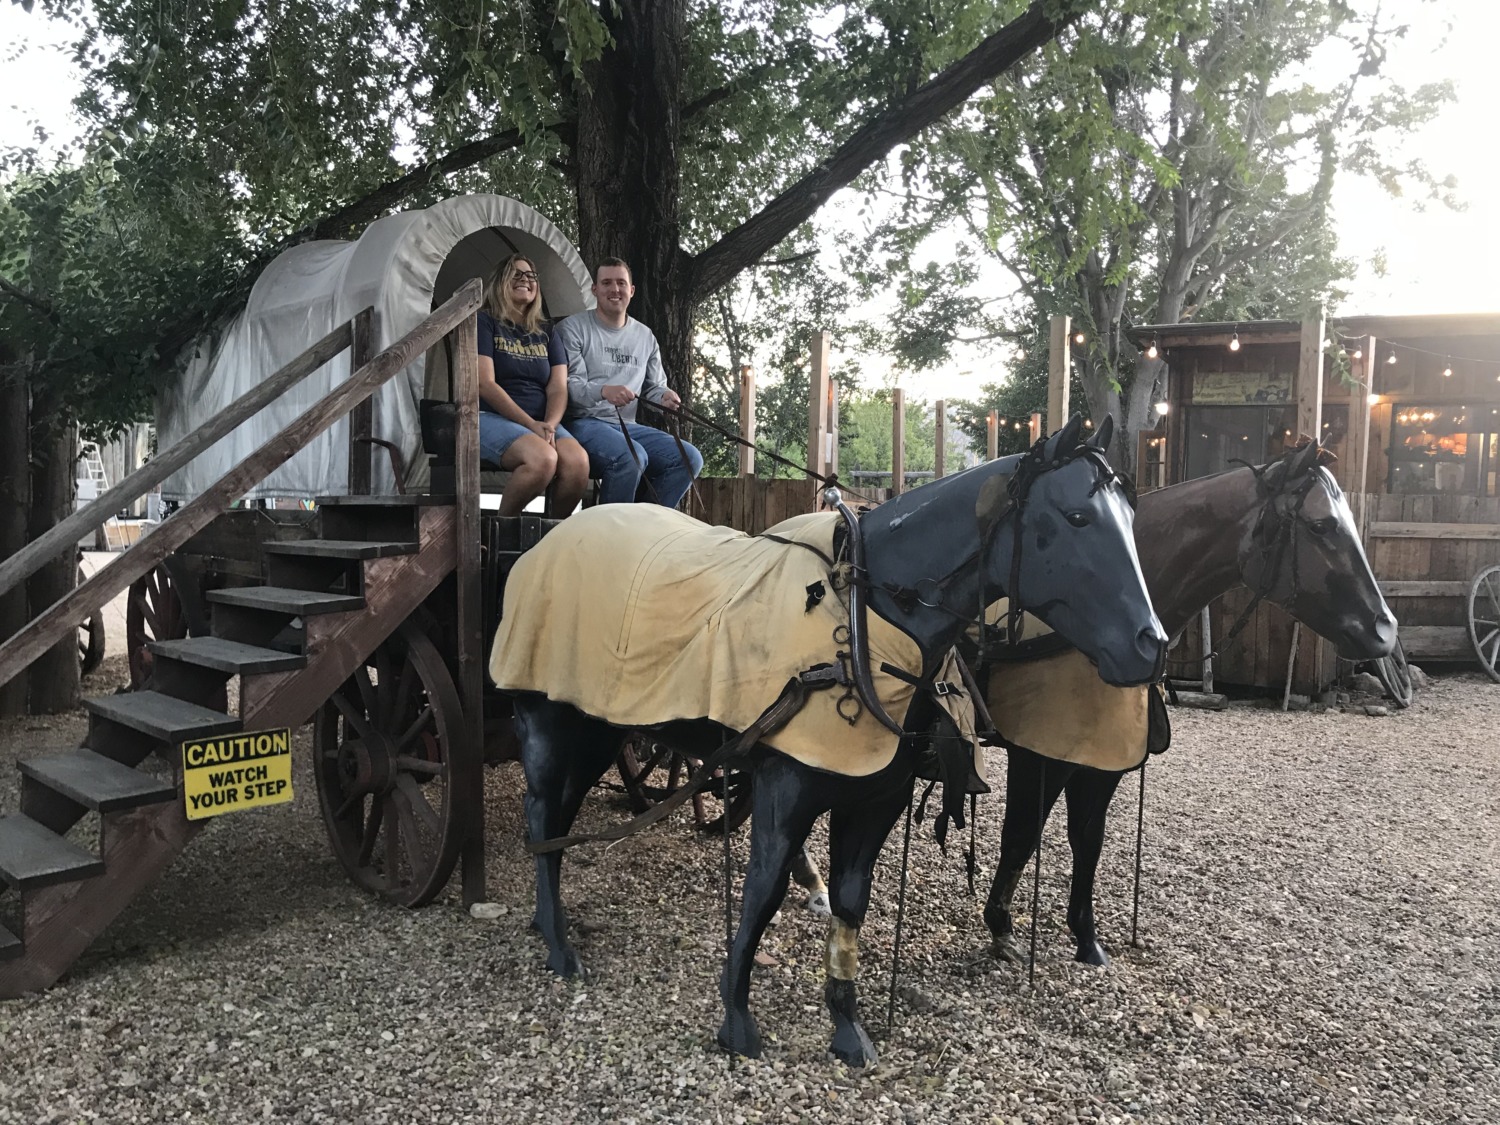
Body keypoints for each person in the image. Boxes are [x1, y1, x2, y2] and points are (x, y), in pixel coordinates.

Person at [556, 258, 703, 507]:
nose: (615, 289)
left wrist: (664, 398)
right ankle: (611, 534)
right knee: (632, 457)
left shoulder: (645, 336)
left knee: (689, 458)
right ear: (595, 289)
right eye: (607, 283)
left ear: (631, 290)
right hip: (583, 423)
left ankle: (646, 525)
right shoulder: (572, 328)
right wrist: (603, 391)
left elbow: (655, 387)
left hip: (627, 426)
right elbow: (567, 386)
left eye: (621, 283)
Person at [477, 254, 590, 517]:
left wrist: (549, 425)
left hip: (542, 421)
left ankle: (549, 539)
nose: (525, 280)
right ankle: (501, 532)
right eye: (516, 274)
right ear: (500, 283)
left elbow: (558, 387)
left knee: (578, 463)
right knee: (543, 459)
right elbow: (485, 384)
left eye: (530, 275)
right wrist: (531, 425)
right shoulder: (484, 322)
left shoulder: (547, 331)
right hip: (491, 416)